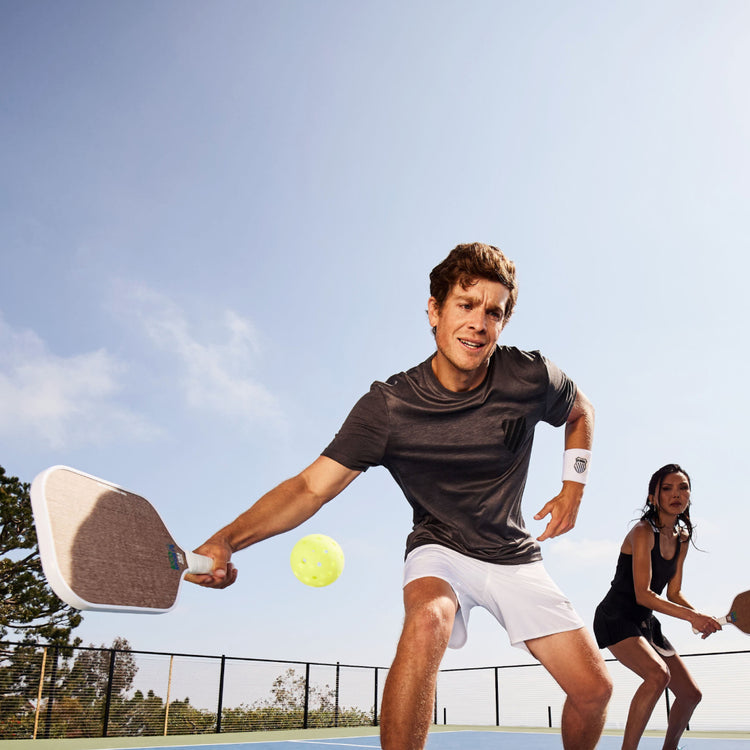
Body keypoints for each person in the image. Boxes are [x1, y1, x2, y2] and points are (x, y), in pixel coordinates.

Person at [187, 242, 612, 750]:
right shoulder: (388, 408)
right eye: (465, 304)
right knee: (428, 618)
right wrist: (227, 540)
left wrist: (573, 486)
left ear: (503, 323)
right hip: (440, 548)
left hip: (511, 553)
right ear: (434, 311)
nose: (478, 322)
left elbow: (580, 410)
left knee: (594, 690)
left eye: (493, 312)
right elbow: (308, 487)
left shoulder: (529, 375)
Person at [593, 463, 722, 750]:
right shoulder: (642, 532)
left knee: (690, 695)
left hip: (644, 623)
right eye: (667, 488)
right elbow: (644, 594)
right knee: (657, 675)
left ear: (689, 495)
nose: (676, 494)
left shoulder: (682, 539)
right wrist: (693, 616)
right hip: (616, 615)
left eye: (683, 487)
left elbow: (674, 592)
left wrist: (700, 617)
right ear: (654, 496)